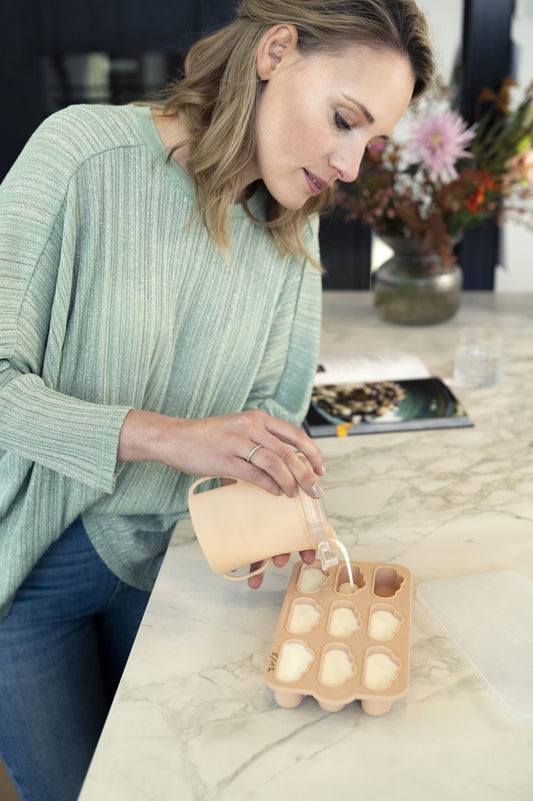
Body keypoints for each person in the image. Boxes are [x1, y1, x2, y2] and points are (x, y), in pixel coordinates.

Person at [0, 1, 434, 799]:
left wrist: (263, 491)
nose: (349, 165)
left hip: (166, 560)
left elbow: (273, 404)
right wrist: (171, 437)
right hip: (25, 570)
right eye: (343, 119)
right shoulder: (79, 158)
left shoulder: (290, 229)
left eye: (368, 142)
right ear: (275, 50)